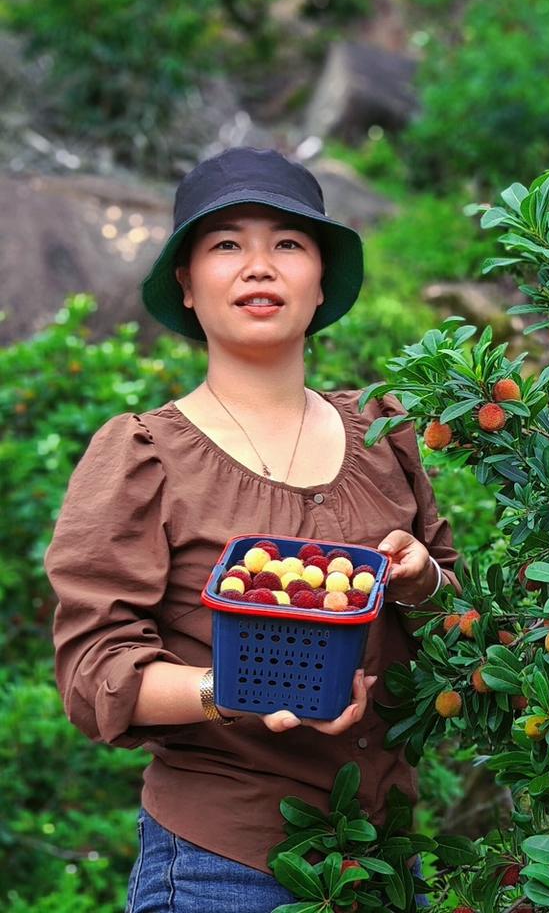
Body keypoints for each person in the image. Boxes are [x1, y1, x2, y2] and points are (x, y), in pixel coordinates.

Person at [44, 147, 460, 913]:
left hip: (387, 860)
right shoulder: (144, 456)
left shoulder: (385, 434)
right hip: (221, 869)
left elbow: (463, 624)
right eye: (227, 244)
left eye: (289, 244)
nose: (259, 266)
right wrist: (233, 690)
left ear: (322, 279)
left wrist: (424, 579)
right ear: (188, 284)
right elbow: (93, 672)